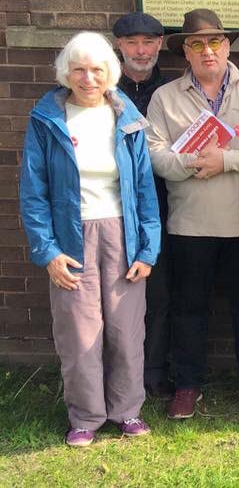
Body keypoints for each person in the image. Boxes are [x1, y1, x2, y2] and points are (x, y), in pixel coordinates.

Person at [20, 32, 160, 447]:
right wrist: (47, 251)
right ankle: (84, 417)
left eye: (97, 69)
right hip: (70, 237)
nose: (88, 77)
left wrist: (148, 249)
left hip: (122, 233)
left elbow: (144, 192)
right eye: (79, 69)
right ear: (67, 73)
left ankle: (127, 411)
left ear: (109, 74)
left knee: (125, 330)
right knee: (78, 332)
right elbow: (34, 191)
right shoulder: (47, 120)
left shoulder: (128, 119)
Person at [146, 9, 239, 421]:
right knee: (189, 309)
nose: (208, 51)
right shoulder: (164, 98)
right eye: (198, 44)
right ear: (184, 51)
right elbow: (153, 156)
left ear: (228, 46)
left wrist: (228, 161)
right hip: (190, 226)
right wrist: (190, 162)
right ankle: (187, 386)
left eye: (216, 42)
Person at [113, 11, 175, 400]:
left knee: (162, 293)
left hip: (164, 205)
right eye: (132, 42)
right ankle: (120, 375)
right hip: (116, 209)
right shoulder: (103, 91)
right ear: (119, 46)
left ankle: (153, 371)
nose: (141, 50)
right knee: (116, 296)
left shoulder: (170, 92)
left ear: (159, 45)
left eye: (149, 42)